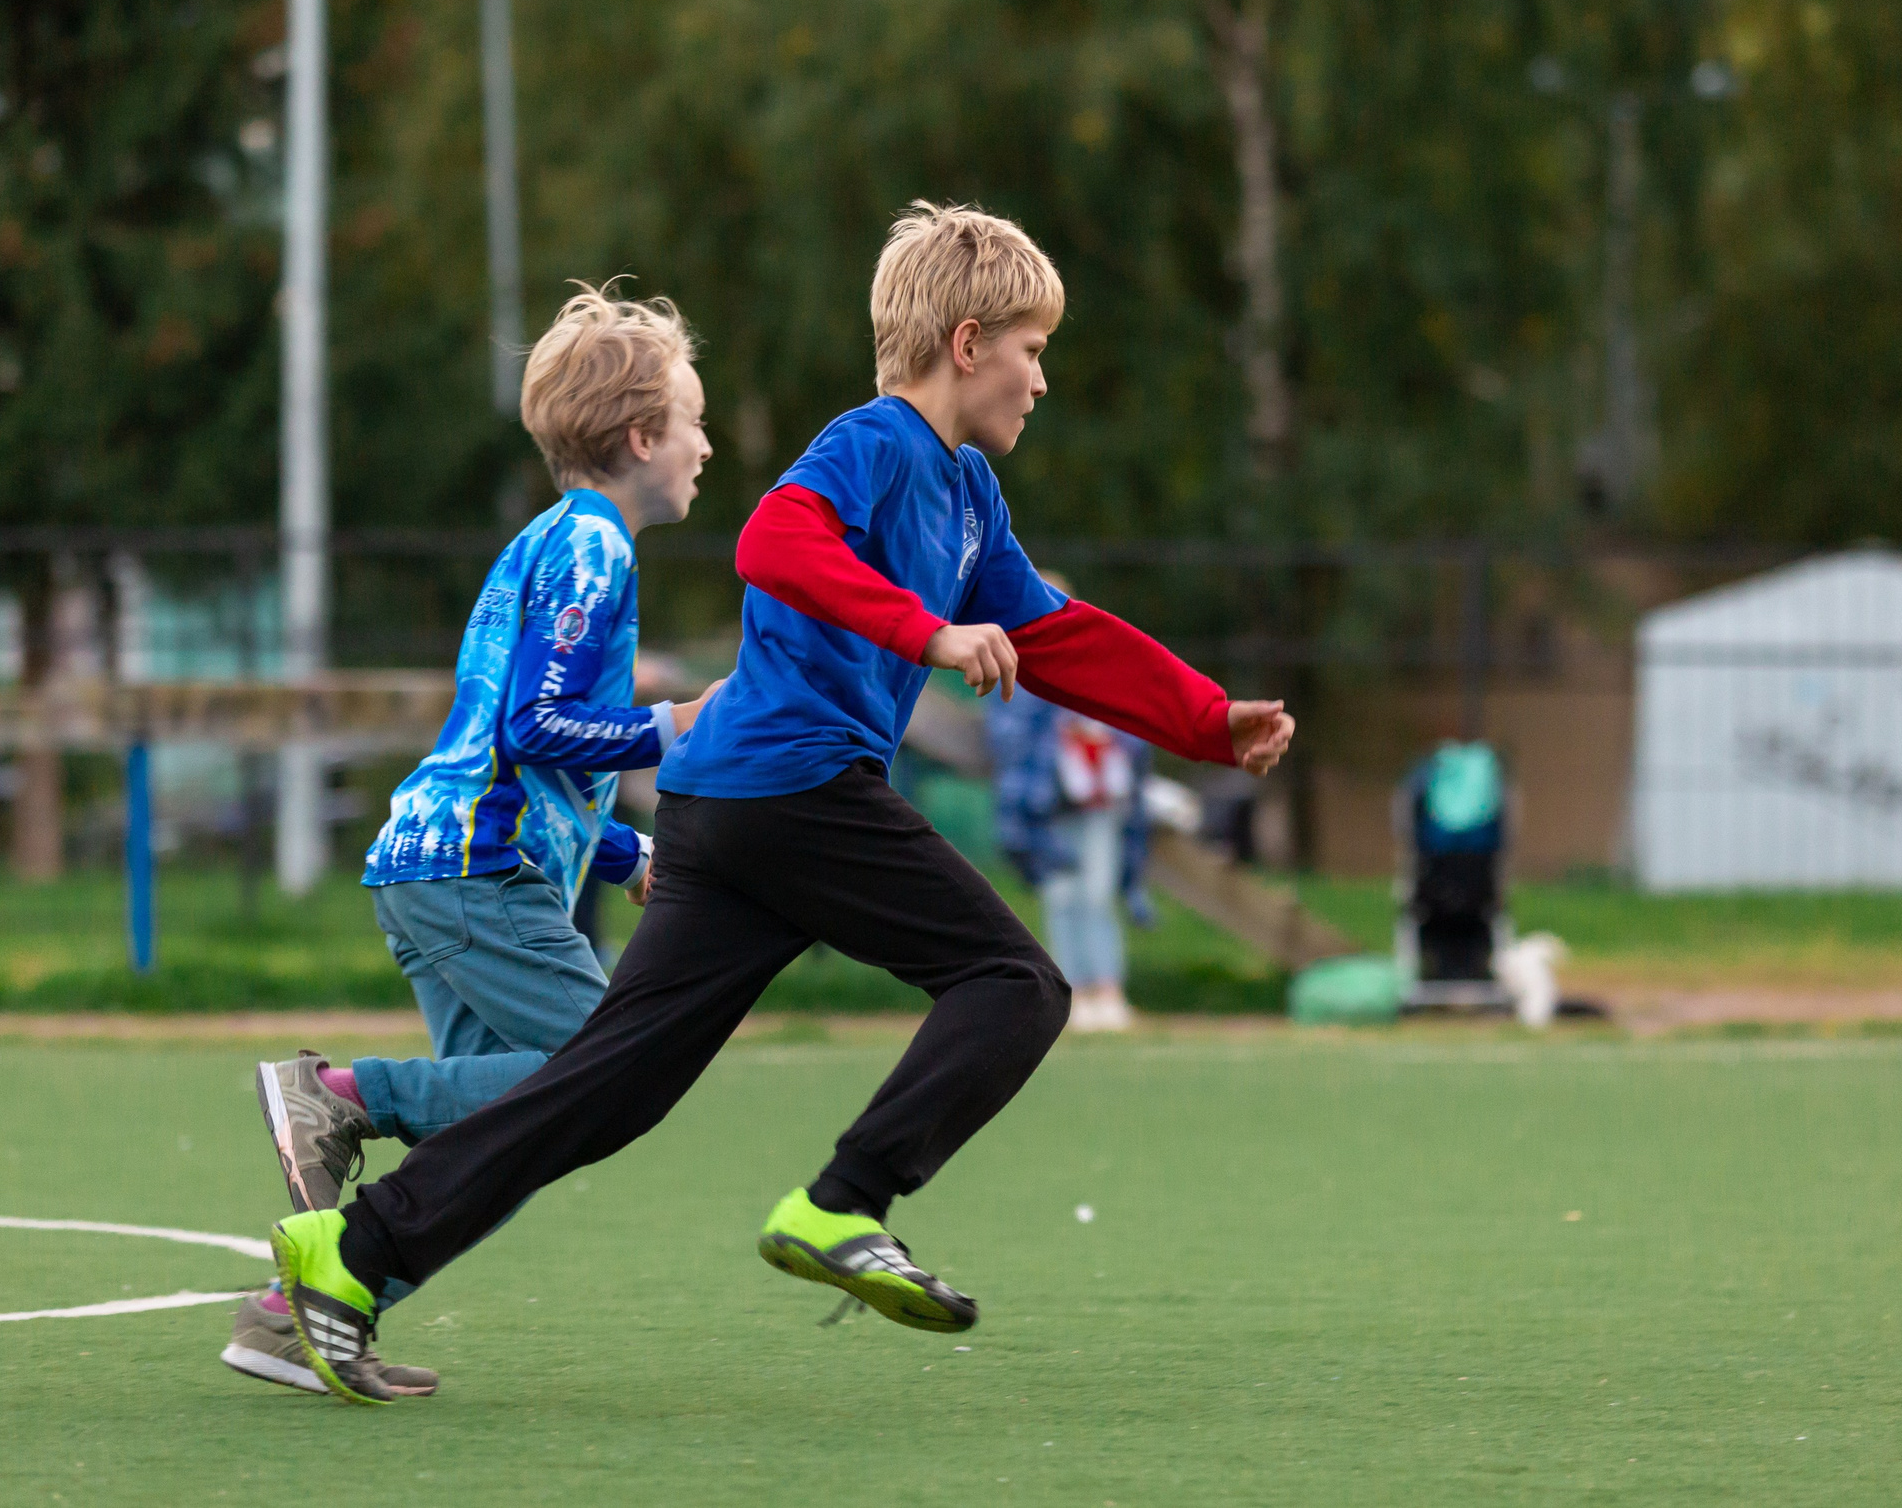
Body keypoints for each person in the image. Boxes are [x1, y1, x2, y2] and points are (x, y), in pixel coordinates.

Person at [265, 201, 1296, 1405]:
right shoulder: (873, 443)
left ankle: (352, 1253)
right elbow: (772, 540)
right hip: (797, 789)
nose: (1041, 378)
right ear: (967, 343)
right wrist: (929, 631)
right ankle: (844, 1203)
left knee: (613, 1082)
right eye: (1031, 347)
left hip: (725, 807)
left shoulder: (967, 497)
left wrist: (1202, 720)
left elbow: (1058, 633)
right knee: (1016, 984)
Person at [220, 286, 719, 1398]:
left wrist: (623, 856)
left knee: (518, 1133)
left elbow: (525, 761)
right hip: (471, 875)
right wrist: (671, 728)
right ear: (639, 438)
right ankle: (342, 1095)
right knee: (606, 1071)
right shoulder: (595, 549)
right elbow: (531, 727)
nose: (706, 444)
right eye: (692, 420)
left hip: (454, 863)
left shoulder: (555, 541)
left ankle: (301, 1314)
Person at [988, 643, 1152, 1033]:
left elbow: (1131, 736)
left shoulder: (1098, 670)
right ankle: (1072, 993)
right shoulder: (1014, 682)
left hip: (1098, 804)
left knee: (1097, 895)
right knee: (1061, 898)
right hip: (1045, 809)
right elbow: (1010, 744)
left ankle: (1109, 991)